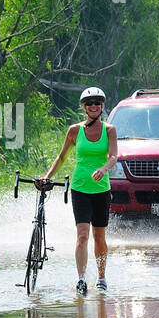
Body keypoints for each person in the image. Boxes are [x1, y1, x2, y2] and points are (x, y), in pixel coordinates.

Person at [39, 86, 118, 295]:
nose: (93, 106)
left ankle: (101, 277)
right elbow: (62, 156)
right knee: (82, 235)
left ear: (102, 107)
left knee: (99, 236)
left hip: (101, 189)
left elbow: (113, 157)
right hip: (80, 188)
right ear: (84, 107)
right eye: (89, 103)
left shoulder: (109, 130)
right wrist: (47, 176)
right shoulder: (75, 130)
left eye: (97, 103)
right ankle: (81, 279)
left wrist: (103, 169)